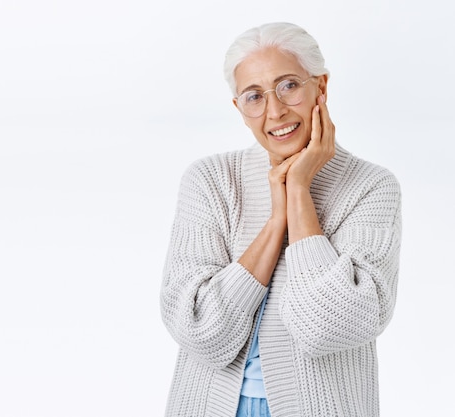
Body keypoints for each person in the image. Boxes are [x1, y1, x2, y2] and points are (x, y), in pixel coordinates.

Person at [159, 22, 402, 417]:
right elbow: (198, 329)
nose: (274, 111)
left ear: (320, 88)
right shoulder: (210, 180)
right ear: (240, 109)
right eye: (254, 96)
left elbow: (332, 326)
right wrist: (276, 220)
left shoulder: (371, 187)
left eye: (288, 85)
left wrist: (300, 191)